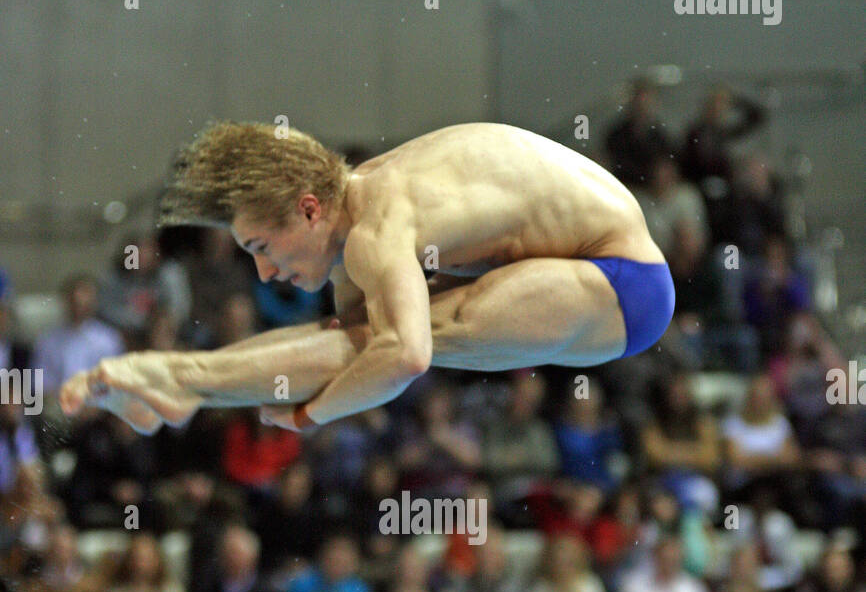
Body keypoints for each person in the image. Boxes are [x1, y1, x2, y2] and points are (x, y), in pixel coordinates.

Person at [59, 121, 676, 435]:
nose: (265, 271)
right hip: (583, 264)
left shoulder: (377, 231)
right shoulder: (364, 202)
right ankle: (181, 383)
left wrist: (310, 419)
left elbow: (406, 359)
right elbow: (341, 349)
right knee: (352, 340)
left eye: (262, 246)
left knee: (412, 335)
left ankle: (179, 380)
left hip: (624, 285)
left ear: (307, 208)